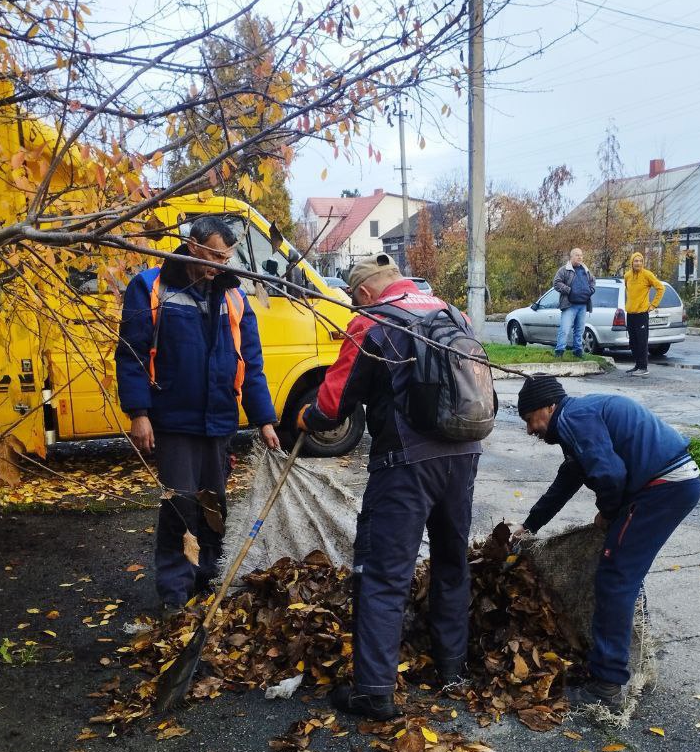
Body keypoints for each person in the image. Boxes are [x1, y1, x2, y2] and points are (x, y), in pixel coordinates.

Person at [298, 253, 481, 721]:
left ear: (362, 292)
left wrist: (310, 417)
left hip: (405, 463)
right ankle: (451, 668)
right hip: (463, 454)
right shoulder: (450, 312)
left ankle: (374, 691)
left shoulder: (372, 321)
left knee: (383, 574)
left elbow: (334, 403)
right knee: (451, 561)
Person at [116, 216, 280, 614]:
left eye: (226, 256)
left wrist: (265, 420)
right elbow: (131, 353)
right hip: (173, 418)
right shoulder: (151, 286)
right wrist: (139, 413)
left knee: (213, 504)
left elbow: (251, 364)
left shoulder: (233, 297)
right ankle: (175, 591)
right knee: (181, 503)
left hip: (218, 419)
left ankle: (206, 581)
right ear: (192, 247)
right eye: (213, 255)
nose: (220, 263)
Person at [509, 375, 700, 709]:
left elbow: (609, 475)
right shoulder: (577, 418)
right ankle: (633, 658)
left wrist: (609, 513)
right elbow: (566, 482)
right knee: (625, 571)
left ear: (548, 406)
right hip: (672, 483)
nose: (530, 430)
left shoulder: (574, 419)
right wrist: (529, 525)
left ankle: (607, 686)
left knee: (614, 579)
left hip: (661, 487)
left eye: (530, 420)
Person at [623, 252, 664, 376]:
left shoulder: (647, 275)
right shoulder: (627, 276)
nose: (638, 263)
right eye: (636, 261)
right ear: (632, 262)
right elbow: (628, 290)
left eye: (640, 261)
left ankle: (644, 368)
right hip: (630, 313)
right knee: (633, 341)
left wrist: (653, 305)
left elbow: (661, 288)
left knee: (642, 341)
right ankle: (637, 365)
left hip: (642, 314)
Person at [552, 248, 596, 359]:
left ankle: (578, 351)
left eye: (581, 255)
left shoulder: (586, 270)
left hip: (582, 305)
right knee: (565, 329)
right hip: (569, 305)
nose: (580, 257)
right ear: (571, 257)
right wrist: (569, 290)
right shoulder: (564, 270)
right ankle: (559, 351)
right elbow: (556, 283)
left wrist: (590, 291)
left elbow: (593, 282)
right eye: (577, 255)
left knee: (579, 330)